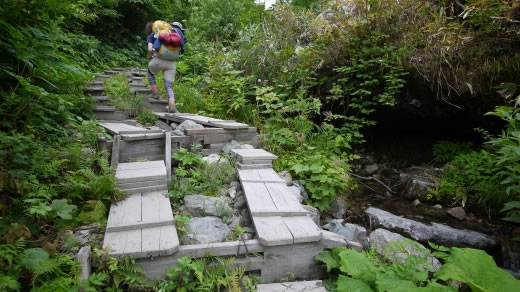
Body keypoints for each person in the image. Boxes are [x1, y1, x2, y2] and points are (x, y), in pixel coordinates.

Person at [145, 21, 186, 112]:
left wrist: (149, 56)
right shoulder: (173, 34)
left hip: (159, 60)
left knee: (150, 71)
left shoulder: (155, 35)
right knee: (168, 86)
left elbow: (150, 49)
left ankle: (155, 93)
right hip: (172, 63)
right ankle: (171, 103)